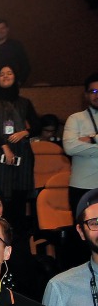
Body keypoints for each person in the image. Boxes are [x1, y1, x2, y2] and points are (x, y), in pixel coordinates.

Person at [0, 65, 38, 231]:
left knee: (18, 201)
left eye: (9, 73)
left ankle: (16, 243)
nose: (5, 76)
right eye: (1, 74)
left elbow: (38, 125)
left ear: (15, 77)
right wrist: (5, 148)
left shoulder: (25, 102)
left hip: (22, 154)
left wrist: (24, 132)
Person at [62, 73, 98, 209]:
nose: (97, 95)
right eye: (93, 91)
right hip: (81, 186)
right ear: (86, 95)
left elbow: (77, 146)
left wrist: (92, 139)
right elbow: (70, 148)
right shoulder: (75, 119)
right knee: (80, 229)